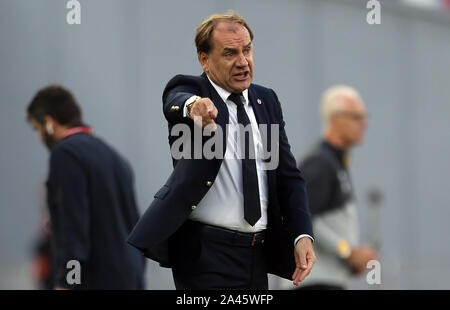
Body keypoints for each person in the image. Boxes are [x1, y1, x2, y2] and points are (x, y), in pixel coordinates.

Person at [127, 12, 315, 289]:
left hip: (257, 254)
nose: (242, 62)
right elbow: (174, 101)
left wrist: (302, 235)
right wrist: (193, 107)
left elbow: (288, 177)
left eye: (247, 50)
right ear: (205, 59)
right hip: (205, 255)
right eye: (229, 54)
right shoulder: (193, 88)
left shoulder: (267, 101)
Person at [26, 85, 145, 289]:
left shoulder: (65, 153)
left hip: (95, 280)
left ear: (49, 123)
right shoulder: (115, 157)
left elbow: (73, 227)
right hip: (130, 278)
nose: (39, 138)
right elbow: (136, 228)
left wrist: (68, 282)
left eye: (38, 129)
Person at [297, 85, 378, 290]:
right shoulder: (320, 164)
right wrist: (347, 252)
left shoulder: (333, 162)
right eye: (357, 116)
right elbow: (300, 218)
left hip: (325, 281)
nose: (364, 123)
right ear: (335, 119)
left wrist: (349, 258)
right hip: (314, 283)